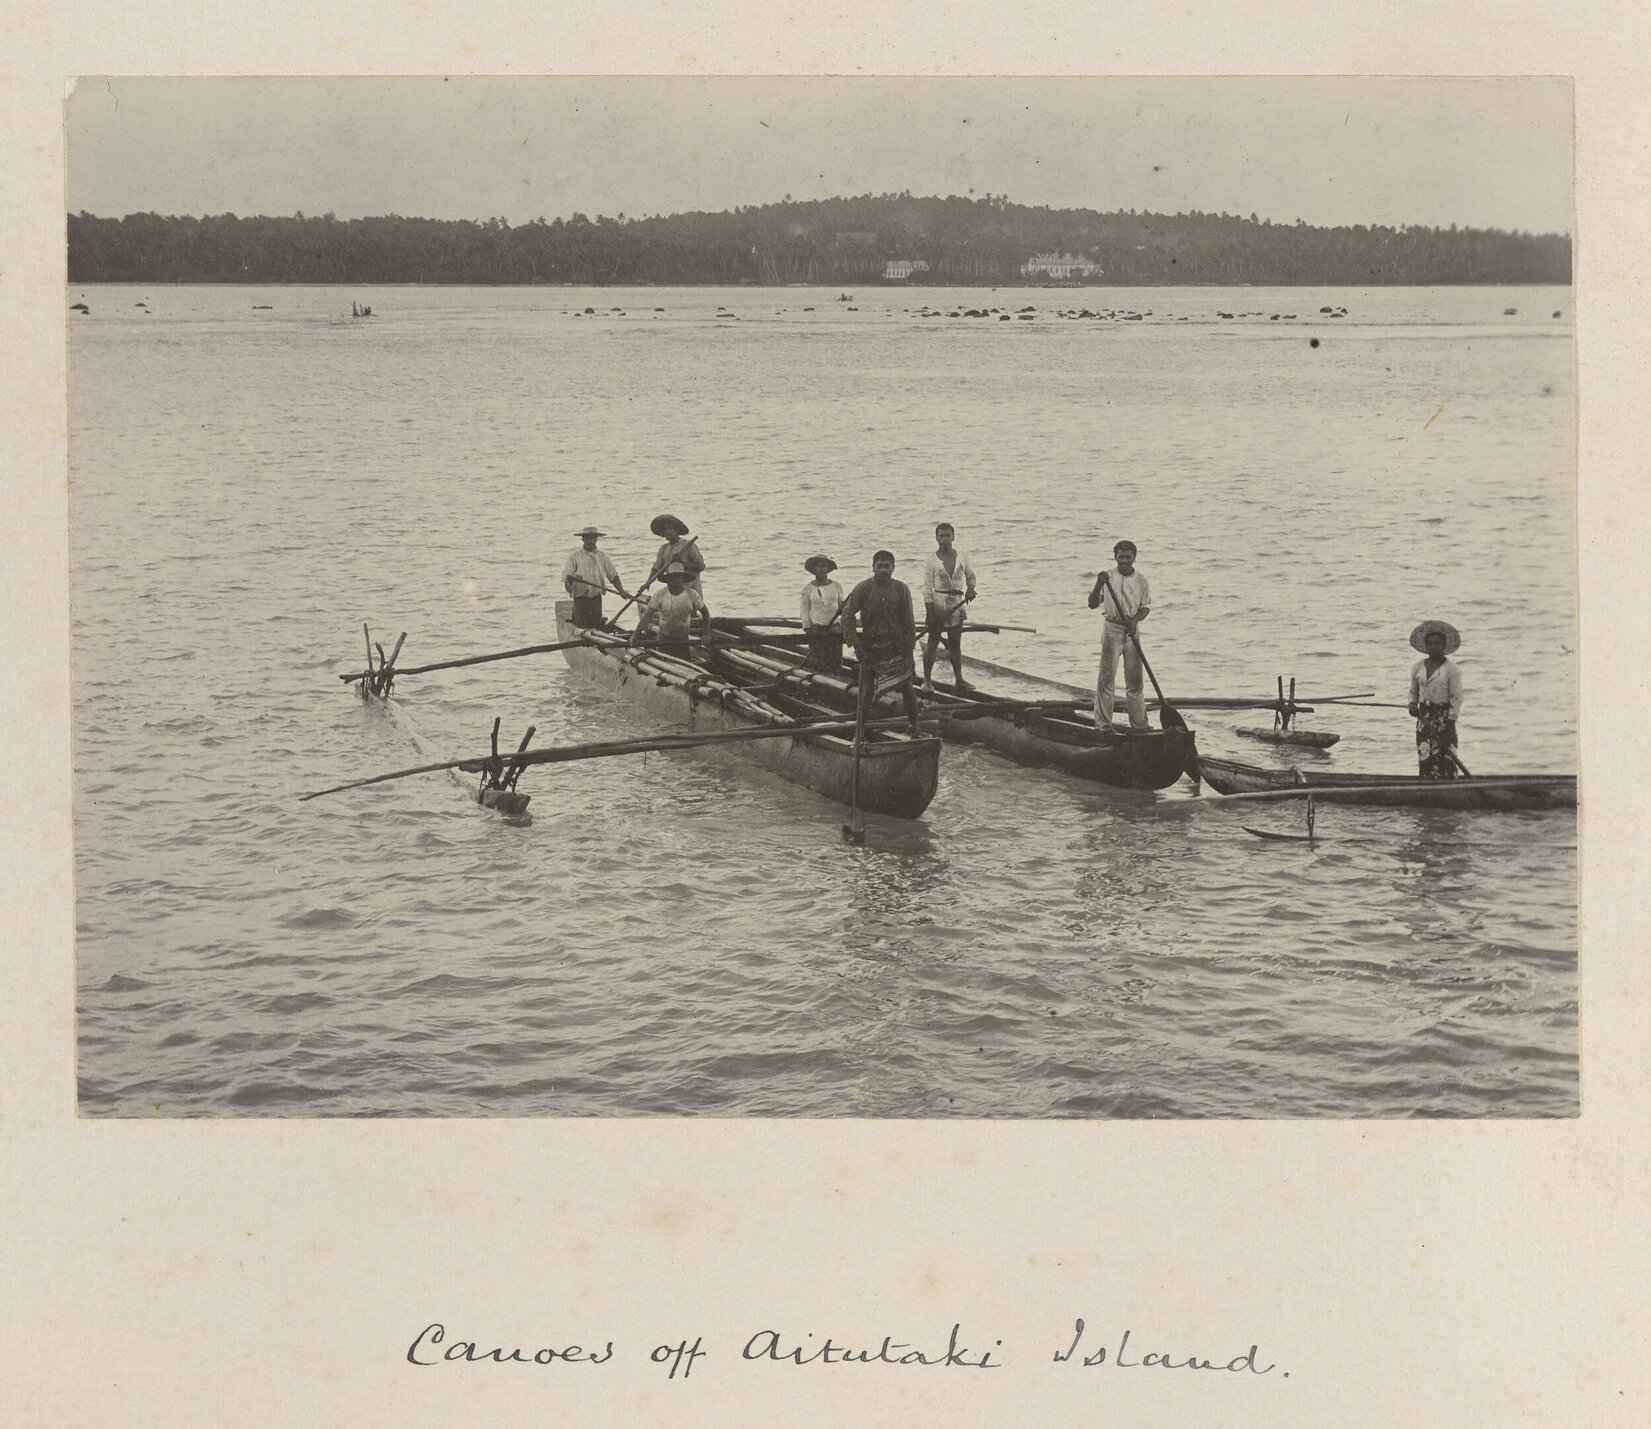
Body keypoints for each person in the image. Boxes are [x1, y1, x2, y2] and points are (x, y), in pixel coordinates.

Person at [841, 550, 922, 735]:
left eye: (887, 566)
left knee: (908, 690)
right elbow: (847, 615)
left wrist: (909, 654)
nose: (883, 570)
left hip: (896, 650)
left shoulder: (902, 589)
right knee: (866, 692)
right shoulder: (863, 588)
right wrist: (855, 645)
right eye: (879, 566)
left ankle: (915, 726)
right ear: (873, 568)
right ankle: (860, 732)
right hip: (870, 651)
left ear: (893, 569)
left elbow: (909, 623)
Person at [1087, 539, 1152, 732]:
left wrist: (1134, 621)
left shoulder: (1141, 580)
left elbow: (1145, 608)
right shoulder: (1107, 578)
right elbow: (1092, 604)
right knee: (1106, 679)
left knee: (1135, 682)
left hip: (1132, 631)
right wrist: (1098, 583)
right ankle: (1103, 725)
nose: (1124, 561)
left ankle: (1140, 726)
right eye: (1121, 557)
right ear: (1115, 557)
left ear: (1134, 558)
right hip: (1112, 629)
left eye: (1128, 557)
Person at [920, 522, 978, 692]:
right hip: (938, 603)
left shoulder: (962, 557)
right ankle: (927, 681)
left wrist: (971, 589)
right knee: (932, 643)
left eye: (947, 535)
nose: (944, 539)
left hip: (957, 603)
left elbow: (971, 575)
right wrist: (929, 612)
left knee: (955, 644)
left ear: (953, 537)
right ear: (936, 538)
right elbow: (927, 588)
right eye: (941, 536)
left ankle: (959, 680)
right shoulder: (930, 561)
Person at [1408, 620, 1465, 778]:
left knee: (1446, 755)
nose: (1434, 647)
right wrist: (1412, 704)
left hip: (1444, 718)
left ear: (1444, 646)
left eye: (1438, 644)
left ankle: (1448, 786)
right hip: (1424, 717)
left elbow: (1456, 698)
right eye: (1430, 643)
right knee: (1425, 753)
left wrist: (1450, 724)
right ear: (1426, 645)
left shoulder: (1452, 670)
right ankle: (1426, 785)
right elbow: (1413, 692)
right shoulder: (1418, 667)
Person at [635, 561, 709, 659]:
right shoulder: (659, 595)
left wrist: (706, 634)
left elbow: (705, 614)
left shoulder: (692, 594)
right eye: (673, 577)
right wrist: (635, 635)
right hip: (663, 640)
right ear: (668, 579)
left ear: (683, 579)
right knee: (662, 664)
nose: (676, 580)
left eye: (679, 577)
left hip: (683, 640)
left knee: (684, 664)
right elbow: (647, 617)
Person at [561, 526, 628, 626]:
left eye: (593, 538)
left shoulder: (603, 556)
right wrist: (573, 578)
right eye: (588, 538)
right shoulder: (574, 556)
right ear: (583, 539)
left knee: (596, 627)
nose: (590, 541)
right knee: (580, 628)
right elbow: (567, 576)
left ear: (596, 539)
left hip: (596, 601)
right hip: (580, 601)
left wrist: (621, 591)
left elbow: (613, 575)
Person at [800, 554, 845, 670]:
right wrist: (808, 629)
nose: (821, 569)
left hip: (835, 629)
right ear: (814, 569)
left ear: (827, 568)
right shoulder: (807, 589)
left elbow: (842, 608)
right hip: (817, 629)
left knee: (836, 661)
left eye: (824, 566)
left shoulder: (836, 586)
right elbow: (804, 612)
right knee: (818, 662)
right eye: (818, 566)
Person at [649, 514, 705, 596]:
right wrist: (648, 583)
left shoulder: (688, 545)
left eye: (670, 528)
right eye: (665, 529)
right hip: (673, 592)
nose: (667, 531)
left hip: (691, 591)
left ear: (677, 530)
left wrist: (682, 563)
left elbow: (701, 566)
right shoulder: (663, 549)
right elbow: (657, 569)